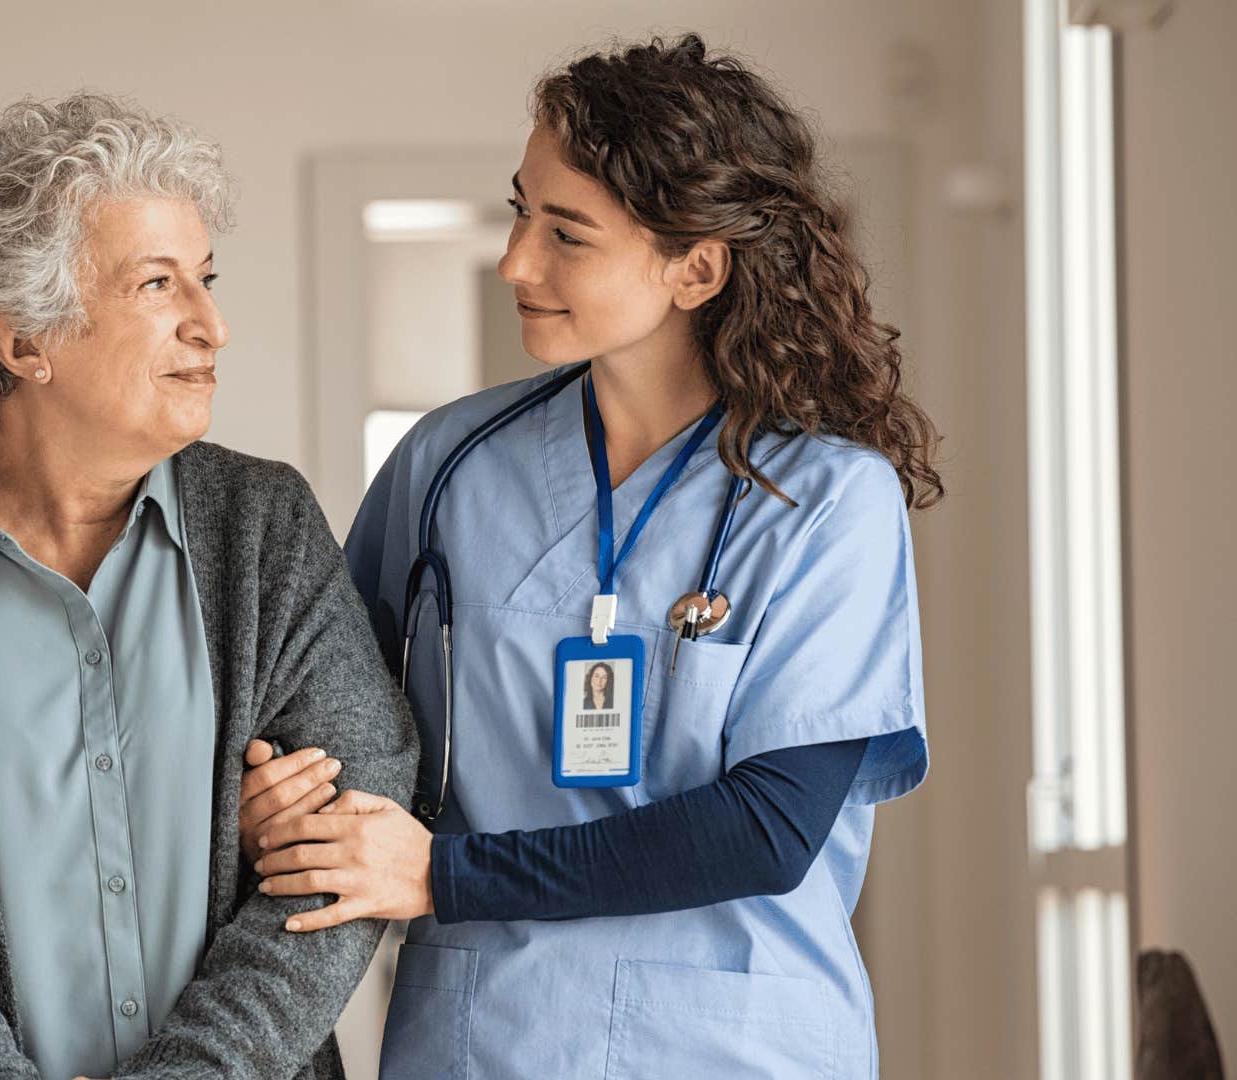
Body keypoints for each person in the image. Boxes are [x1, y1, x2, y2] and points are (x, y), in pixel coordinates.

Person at [238, 35, 937, 1078]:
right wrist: (282, 799)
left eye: (567, 233)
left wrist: (446, 876)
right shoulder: (446, 465)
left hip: (732, 1048)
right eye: (522, 212)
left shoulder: (827, 502)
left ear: (695, 268)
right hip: (483, 1040)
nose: (517, 260)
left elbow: (768, 827)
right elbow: (327, 722)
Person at [0, 92, 417, 1080]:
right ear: (23, 342)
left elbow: (348, 846)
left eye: (206, 278)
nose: (213, 325)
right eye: (157, 285)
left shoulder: (264, 527)